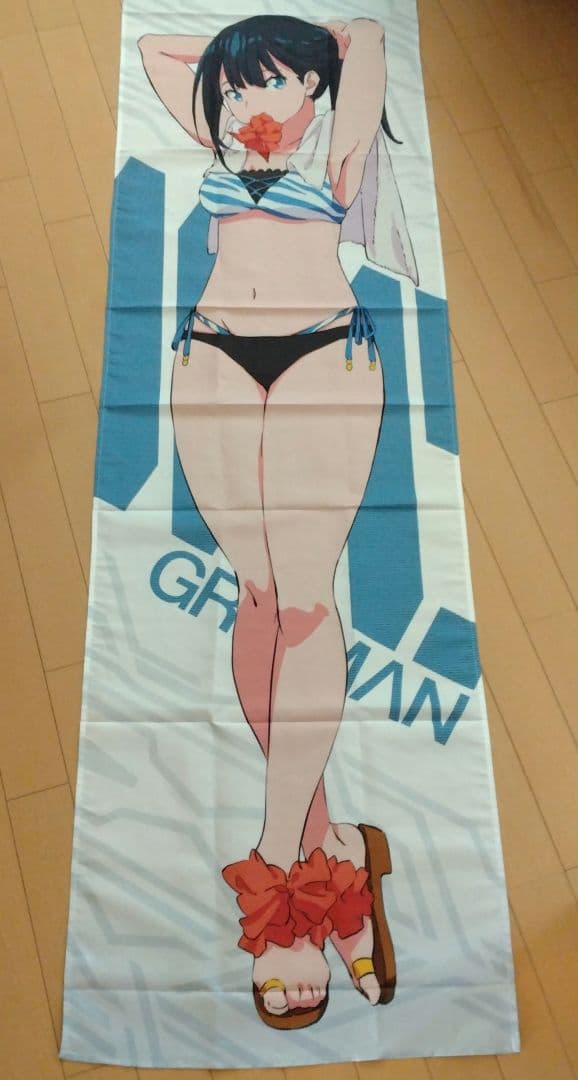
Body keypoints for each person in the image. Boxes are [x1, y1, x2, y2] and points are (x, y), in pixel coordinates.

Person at [138, 14, 409, 1028]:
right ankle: (333, 849)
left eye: (279, 81)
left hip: (319, 354)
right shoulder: (220, 141)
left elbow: (367, 34)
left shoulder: (335, 152)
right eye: (239, 87)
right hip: (212, 353)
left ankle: (281, 870)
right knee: (256, 599)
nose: (253, 104)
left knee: (304, 604)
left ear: (317, 87)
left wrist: (316, 50)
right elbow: (154, 55)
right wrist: (239, 67)